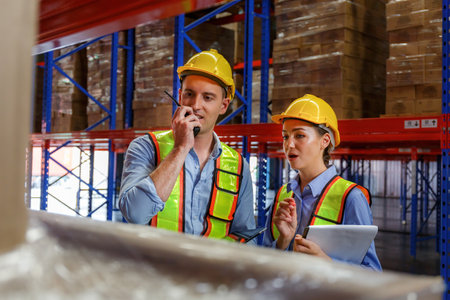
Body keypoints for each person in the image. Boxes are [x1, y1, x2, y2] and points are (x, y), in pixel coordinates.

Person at [119, 49, 256, 243]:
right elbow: (135, 213)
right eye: (190, 94)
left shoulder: (238, 166)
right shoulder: (145, 147)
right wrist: (180, 149)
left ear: (224, 106)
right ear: (180, 96)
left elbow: (245, 236)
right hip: (153, 271)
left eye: (207, 97)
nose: (196, 105)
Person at [262, 94, 382, 271]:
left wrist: (327, 263)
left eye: (300, 135)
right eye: (286, 136)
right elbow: (263, 260)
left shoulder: (351, 198)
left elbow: (373, 273)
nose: (289, 145)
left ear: (324, 141)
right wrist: (282, 242)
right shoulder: (283, 194)